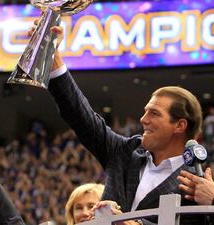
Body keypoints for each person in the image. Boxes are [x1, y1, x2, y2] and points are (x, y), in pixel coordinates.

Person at [42, 24, 205, 224]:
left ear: (179, 125)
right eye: (145, 111)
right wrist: (53, 57)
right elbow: (79, 115)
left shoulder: (197, 183)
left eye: (154, 114)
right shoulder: (124, 152)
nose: (143, 119)